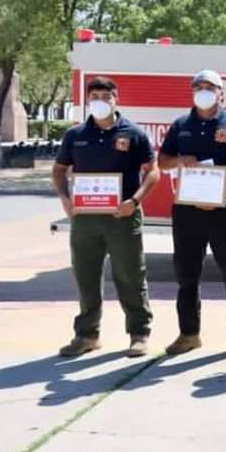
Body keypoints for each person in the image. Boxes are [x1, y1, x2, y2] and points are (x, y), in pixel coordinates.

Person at [51, 77, 159, 358]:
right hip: (85, 219)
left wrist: (134, 201)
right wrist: (65, 199)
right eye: (95, 95)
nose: (100, 100)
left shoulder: (133, 133)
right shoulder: (75, 135)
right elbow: (59, 170)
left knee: (130, 275)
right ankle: (87, 335)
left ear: (116, 98)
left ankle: (139, 333)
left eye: (105, 95)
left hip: (122, 217)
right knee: (86, 276)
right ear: (88, 100)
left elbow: (153, 171)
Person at [157, 70, 226, 357]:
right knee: (186, 275)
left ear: (220, 92)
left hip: (223, 211)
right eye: (198, 86)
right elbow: (162, 163)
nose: (203, 91)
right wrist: (180, 160)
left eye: (209, 87)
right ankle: (189, 334)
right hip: (188, 212)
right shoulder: (180, 126)